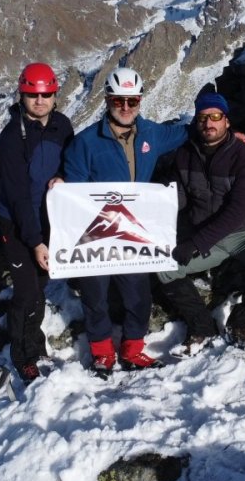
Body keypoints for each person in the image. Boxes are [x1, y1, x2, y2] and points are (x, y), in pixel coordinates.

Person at [61, 67, 190, 376]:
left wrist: (226, 129)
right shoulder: (86, 142)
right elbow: (73, 190)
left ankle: (133, 348)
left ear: (140, 101)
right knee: (96, 295)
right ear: (107, 100)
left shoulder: (152, 133)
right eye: (119, 101)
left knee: (138, 295)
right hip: (98, 233)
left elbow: (188, 131)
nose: (126, 107)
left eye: (132, 101)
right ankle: (102, 352)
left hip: (134, 231)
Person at [156, 92, 245, 352]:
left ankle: (240, 323)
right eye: (203, 118)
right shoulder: (185, 156)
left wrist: (195, 242)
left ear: (226, 121)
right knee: (164, 267)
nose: (209, 123)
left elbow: (238, 210)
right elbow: (179, 198)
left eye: (215, 116)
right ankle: (201, 327)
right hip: (208, 236)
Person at [0, 63, 73, 383]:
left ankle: (34, 341)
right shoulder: (13, 136)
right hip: (15, 223)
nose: (39, 101)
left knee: (39, 286)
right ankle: (20, 352)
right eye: (31, 94)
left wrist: (64, 176)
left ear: (54, 95)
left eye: (45, 94)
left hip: (45, 219)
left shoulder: (63, 126)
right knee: (26, 291)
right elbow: (17, 195)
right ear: (22, 94)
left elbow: (73, 162)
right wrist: (36, 241)